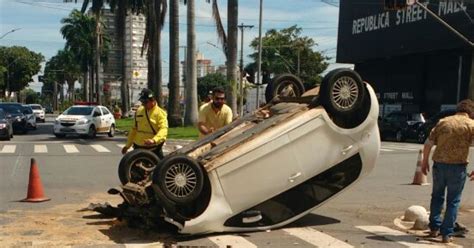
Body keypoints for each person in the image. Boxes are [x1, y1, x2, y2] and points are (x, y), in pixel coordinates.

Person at [421, 99, 474, 243]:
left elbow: (428, 143)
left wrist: (424, 162)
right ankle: (446, 234)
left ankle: (434, 228)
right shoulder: (471, 125)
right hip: (458, 167)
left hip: (439, 164)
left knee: (437, 196)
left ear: (457, 110)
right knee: (453, 200)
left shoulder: (443, 122)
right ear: (470, 113)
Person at [121, 88, 168, 159]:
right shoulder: (139, 111)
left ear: (152, 101)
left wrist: (154, 140)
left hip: (154, 148)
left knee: (161, 167)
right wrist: (127, 146)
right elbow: (134, 130)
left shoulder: (160, 113)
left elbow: (163, 130)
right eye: (142, 102)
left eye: (145, 102)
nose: (143, 104)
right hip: (138, 147)